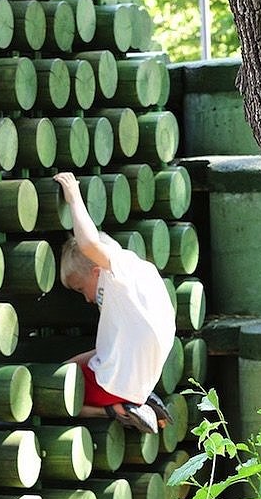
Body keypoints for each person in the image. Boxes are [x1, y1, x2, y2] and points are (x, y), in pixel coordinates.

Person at [54, 171, 175, 434]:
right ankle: (133, 402)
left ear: (96, 271)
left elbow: (87, 244)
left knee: (56, 393)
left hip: (112, 387)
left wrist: (73, 196)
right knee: (69, 368)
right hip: (138, 382)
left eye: (80, 288)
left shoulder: (117, 271)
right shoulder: (140, 276)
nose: (86, 297)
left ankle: (115, 410)